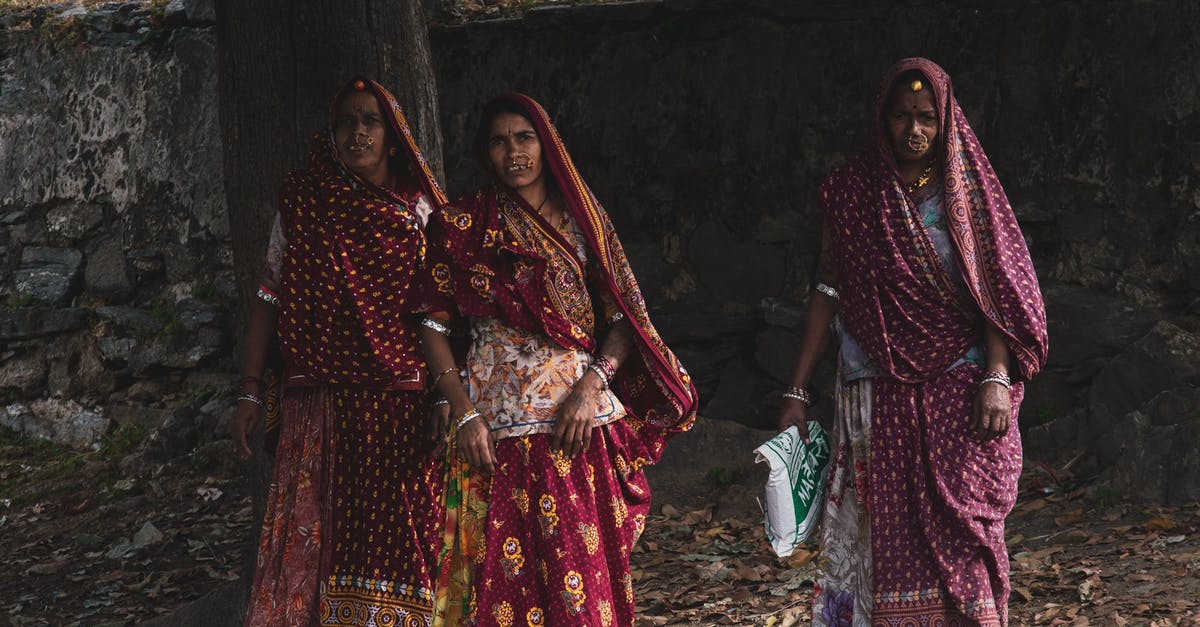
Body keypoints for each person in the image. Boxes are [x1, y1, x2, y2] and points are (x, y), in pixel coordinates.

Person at [777, 58, 1048, 627]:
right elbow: (828, 289)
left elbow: (995, 293)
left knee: (966, 532)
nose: (914, 130)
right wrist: (797, 390)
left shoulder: (968, 193)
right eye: (901, 116)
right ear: (882, 118)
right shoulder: (853, 193)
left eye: (927, 117)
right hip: (877, 392)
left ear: (946, 120)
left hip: (961, 389)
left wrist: (997, 379)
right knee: (887, 536)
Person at [417, 93, 698, 627]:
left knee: (579, 583)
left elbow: (621, 323)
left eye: (525, 138)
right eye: (499, 141)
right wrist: (465, 413)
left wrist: (590, 389)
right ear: (484, 153)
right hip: (490, 436)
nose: (514, 152)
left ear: (546, 146)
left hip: (573, 430)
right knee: (496, 588)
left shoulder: (583, 224)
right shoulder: (462, 227)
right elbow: (432, 325)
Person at [230, 77, 450, 626]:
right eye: (346, 122)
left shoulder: (418, 210)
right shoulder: (303, 205)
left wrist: (451, 396)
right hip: (317, 402)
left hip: (398, 401)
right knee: (316, 531)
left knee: (399, 534)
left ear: (392, 135)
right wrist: (250, 390)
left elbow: (445, 308)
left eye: (370, 121)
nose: (357, 132)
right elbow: (268, 297)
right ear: (331, 135)